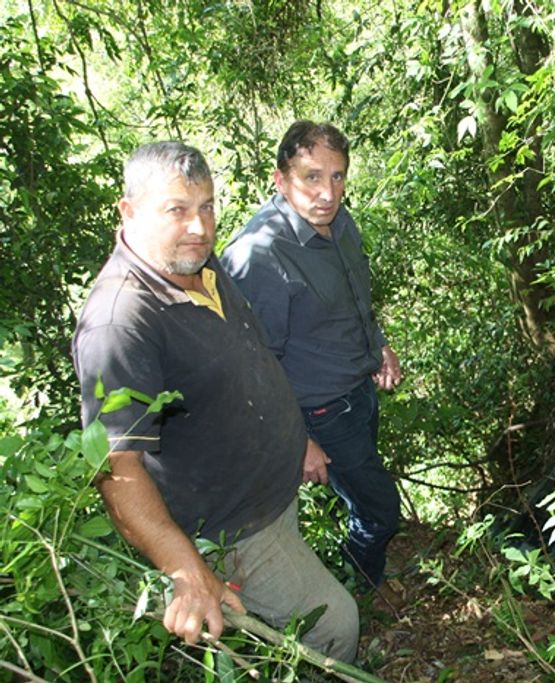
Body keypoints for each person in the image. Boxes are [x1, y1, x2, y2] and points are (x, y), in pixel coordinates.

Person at [72, 141, 360, 661]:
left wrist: (297, 439)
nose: (199, 227)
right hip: (234, 528)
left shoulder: (198, 266)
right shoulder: (120, 323)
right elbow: (117, 467)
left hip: (274, 491)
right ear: (129, 211)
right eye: (176, 210)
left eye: (206, 206)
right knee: (336, 627)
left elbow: (251, 358)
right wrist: (187, 571)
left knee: (279, 639)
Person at [221, 121, 401, 595]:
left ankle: (358, 573)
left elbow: (352, 296)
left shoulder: (339, 223)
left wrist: (377, 344)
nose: (328, 192)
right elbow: (249, 369)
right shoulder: (260, 255)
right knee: (381, 508)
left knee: (363, 494)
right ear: (280, 179)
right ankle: (359, 586)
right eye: (312, 177)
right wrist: (298, 439)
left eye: (337, 176)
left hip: (357, 389)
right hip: (319, 410)